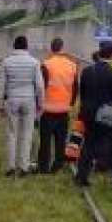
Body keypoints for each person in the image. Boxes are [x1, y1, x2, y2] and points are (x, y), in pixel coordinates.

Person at [75, 39, 112, 187]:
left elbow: (83, 94)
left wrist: (82, 112)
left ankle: (81, 177)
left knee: (88, 144)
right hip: (108, 114)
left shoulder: (86, 72)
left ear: (99, 54)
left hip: (89, 113)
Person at [0, 35, 44, 176]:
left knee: (11, 133)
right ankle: (23, 167)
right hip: (29, 100)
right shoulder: (35, 62)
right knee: (27, 134)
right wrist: (40, 103)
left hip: (12, 100)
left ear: (14, 46)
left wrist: (0, 103)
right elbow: (40, 86)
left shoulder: (6, 62)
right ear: (26, 46)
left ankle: (11, 167)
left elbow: (1, 84)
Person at [39, 37, 79, 174]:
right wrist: (71, 103)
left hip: (49, 109)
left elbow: (41, 86)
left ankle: (43, 167)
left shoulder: (46, 64)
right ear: (62, 48)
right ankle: (57, 165)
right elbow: (75, 87)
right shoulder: (72, 65)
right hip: (63, 110)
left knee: (45, 140)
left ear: (51, 48)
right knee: (61, 140)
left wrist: (39, 104)